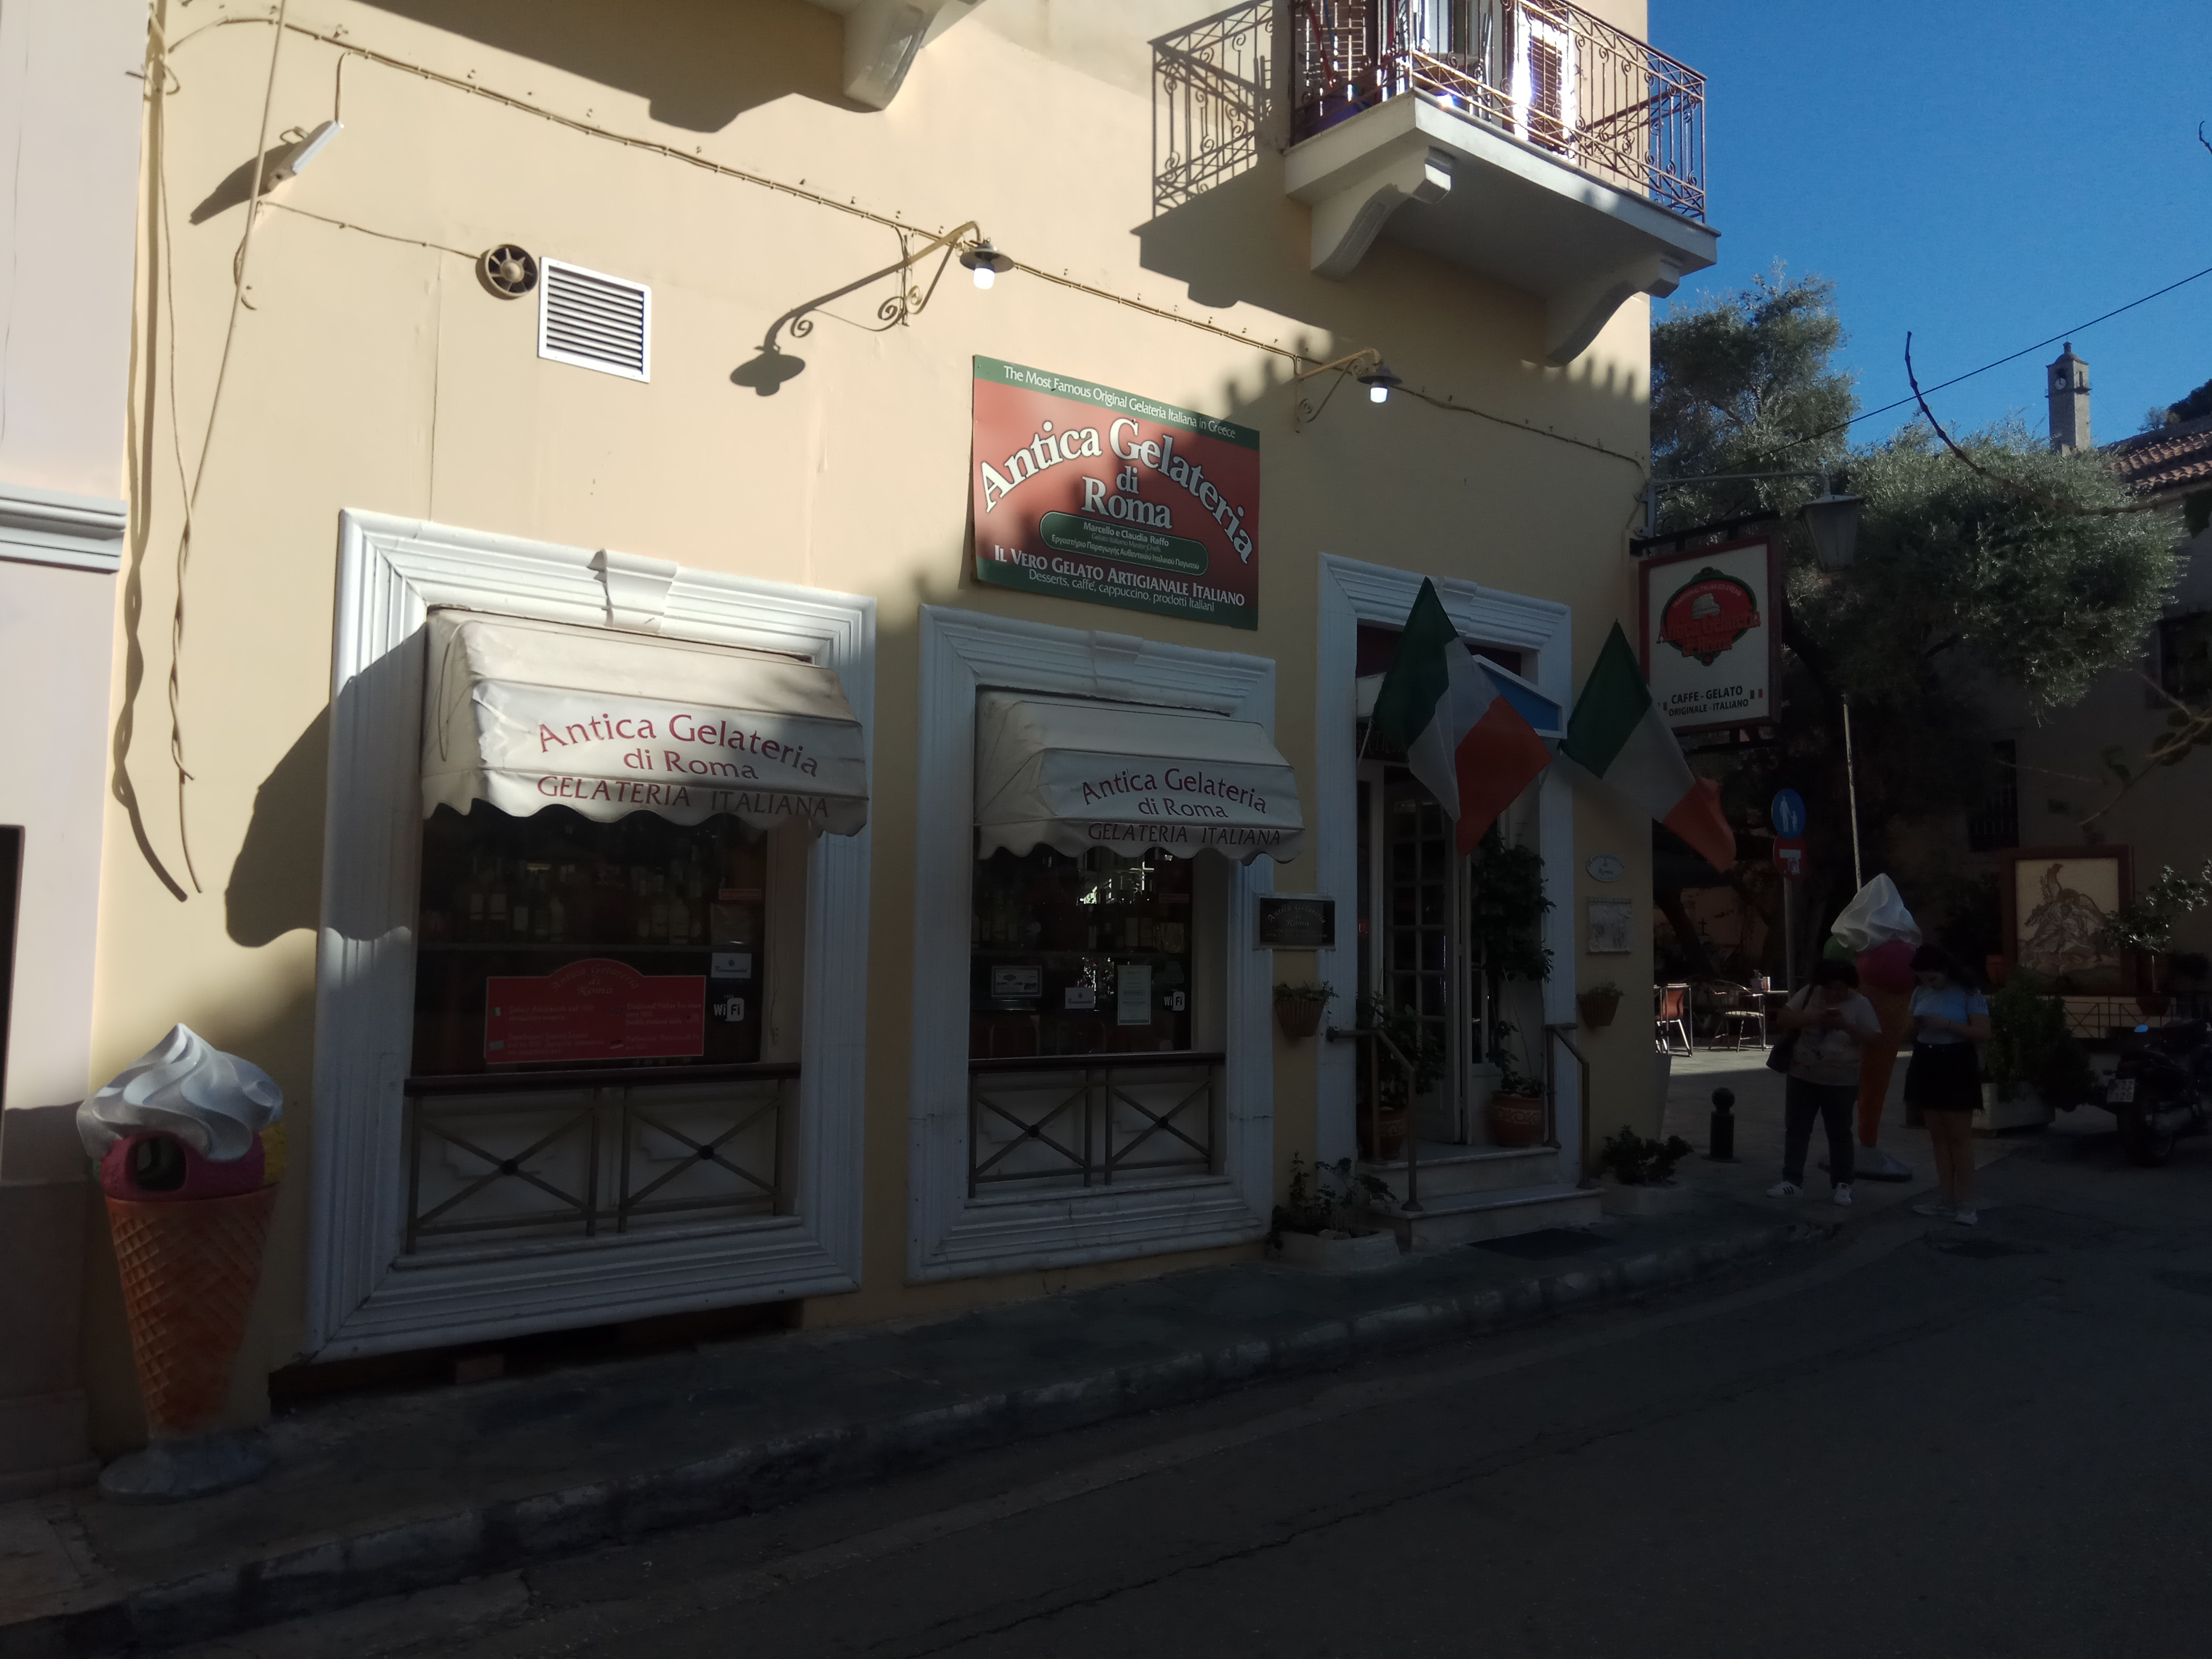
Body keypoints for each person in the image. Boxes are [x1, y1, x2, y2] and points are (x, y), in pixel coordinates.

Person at [1768, 958, 1881, 1205]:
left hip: (1841, 1080)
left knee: (1839, 1133)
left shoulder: (1860, 1004)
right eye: (1828, 988)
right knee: (1797, 1129)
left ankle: (1843, 1184)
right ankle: (1792, 1180)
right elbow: (1784, 1017)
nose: (1833, 994)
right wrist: (1810, 1018)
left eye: (1839, 989)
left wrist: (1845, 1025)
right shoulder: (1809, 994)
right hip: (1802, 1075)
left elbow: (1874, 1037)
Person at [1904, 945, 1992, 1225]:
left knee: (1959, 1137)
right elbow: (1905, 1031)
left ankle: (1966, 1203)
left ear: (1945, 971)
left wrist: (1947, 1024)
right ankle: (1946, 1199)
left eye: (1933, 979)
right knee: (1938, 1136)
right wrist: (1915, 1025)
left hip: (1955, 1061)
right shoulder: (1920, 992)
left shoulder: (1968, 993)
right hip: (1926, 1058)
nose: (1929, 984)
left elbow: (1983, 1032)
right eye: (1923, 979)